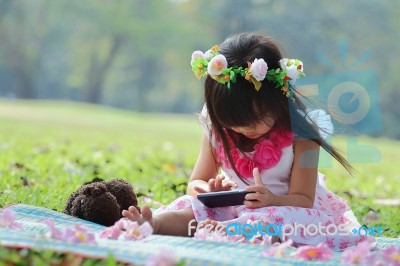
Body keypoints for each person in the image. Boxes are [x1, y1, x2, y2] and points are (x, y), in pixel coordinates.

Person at [122, 32, 375, 251]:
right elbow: (195, 182)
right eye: (234, 121)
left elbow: (303, 199)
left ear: (278, 100)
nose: (244, 128)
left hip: (285, 208)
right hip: (233, 207)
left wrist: (272, 200)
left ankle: (228, 232)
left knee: (271, 221)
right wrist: (208, 192)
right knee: (191, 209)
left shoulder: (303, 134)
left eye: (255, 119)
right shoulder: (217, 128)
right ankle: (154, 224)